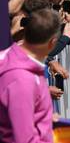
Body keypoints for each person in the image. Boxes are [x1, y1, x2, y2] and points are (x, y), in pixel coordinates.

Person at [0, 8, 62, 143]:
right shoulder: (23, 80)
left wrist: (44, 119)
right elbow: (24, 139)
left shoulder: (13, 61)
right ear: (52, 43)